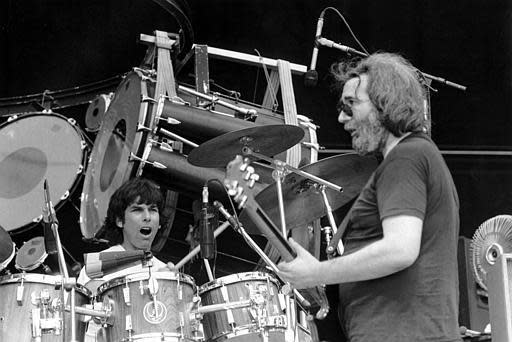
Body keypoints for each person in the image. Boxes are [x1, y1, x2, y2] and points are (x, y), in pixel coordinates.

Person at [277, 53, 461, 342]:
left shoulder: (407, 157)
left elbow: (400, 249)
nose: (341, 117)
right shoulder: (413, 156)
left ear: (384, 103)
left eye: (352, 105)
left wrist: (318, 273)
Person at [77, 177, 172, 291]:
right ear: (120, 221)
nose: (147, 217)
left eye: (152, 210)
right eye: (137, 210)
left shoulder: (165, 274)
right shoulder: (96, 266)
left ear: (160, 222)